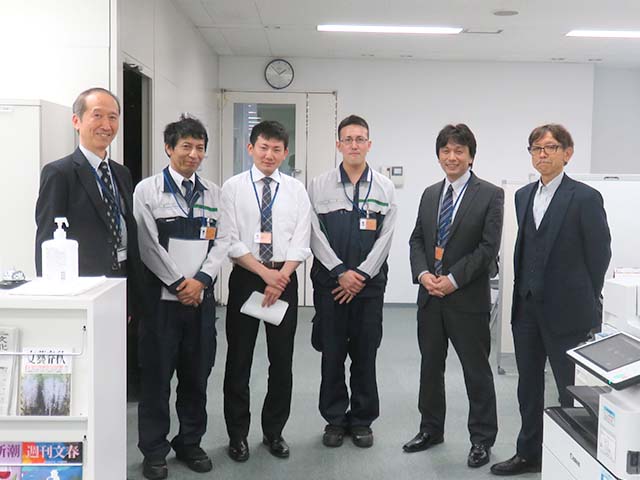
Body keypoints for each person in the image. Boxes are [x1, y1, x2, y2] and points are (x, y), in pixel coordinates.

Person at [491, 124, 611, 476]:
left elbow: (599, 254)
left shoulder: (585, 198)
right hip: (527, 309)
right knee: (528, 387)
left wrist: (587, 299)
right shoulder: (522, 195)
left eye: (550, 147)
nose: (542, 154)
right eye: (536, 148)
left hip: (567, 312)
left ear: (567, 153)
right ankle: (528, 453)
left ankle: (573, 460)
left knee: (569, 390)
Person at [34, 86, 145, 399]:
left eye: (113, 117)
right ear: (77, 121)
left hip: (120, 282)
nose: (106, 125)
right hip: (82, 289)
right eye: (97, 116)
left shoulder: (121, 173)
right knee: (86, 371)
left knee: (115, 368)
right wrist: (57, 300)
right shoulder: (59, 173)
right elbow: (46, 240)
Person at [133, 115, 228, 480]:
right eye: (186, 146)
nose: (193, 154)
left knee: (196, 376)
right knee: (156, 380)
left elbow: (222, 241)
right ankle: (154, 450)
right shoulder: (148, 191)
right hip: (161, 304)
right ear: (168, 148)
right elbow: (147, 245)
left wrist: (200, 281)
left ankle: (189, 442)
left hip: (200, 303)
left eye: (200, 148)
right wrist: (178, 284)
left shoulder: (214, 193)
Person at [405, 124, 503, 468]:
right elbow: (417, 240)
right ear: (438, 156)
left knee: (476, 372)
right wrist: (423, 275)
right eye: (446, 151)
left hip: (467, 300)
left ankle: (482, 439)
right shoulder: (430, 193)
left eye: (459, 151)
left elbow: (488, 248)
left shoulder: (490, 194)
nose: (452, 157)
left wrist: (453, 279)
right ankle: (430, 429)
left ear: (471, 156)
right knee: (430, 368)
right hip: (430, 298)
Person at [221, 120, 311, 462]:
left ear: (285, 153)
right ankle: (237, 435)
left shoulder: (296, 190)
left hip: (284, 280)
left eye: (276, 149)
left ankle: (274, 432)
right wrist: (264, 274)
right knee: (239, 359)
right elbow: (230, 239)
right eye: (263, 147)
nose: (269, 154)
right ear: (250, 148)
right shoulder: (233, 188)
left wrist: (281, 276)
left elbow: (301, 239)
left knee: (281, 361)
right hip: (247, 277)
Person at [308, 114, 397, 449]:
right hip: (331, 285)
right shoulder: (319, 185)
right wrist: (339, 272)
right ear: (339, 144)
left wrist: (360, 275)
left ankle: (361, 420)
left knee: (365, 354)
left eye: (360, 139)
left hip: (368, 288)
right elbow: (313, 233)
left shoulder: (384, 187)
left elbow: (386, 238)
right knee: (331, 354)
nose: (354, 145)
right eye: (348, 139)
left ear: (369, 144)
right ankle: (334, 419)